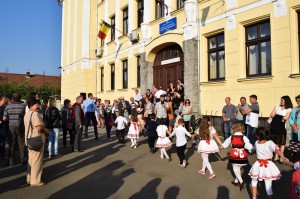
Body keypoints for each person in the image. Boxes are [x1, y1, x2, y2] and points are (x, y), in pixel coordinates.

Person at [249, 127, 286, 199]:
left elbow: (253, 149)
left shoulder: (256, 143)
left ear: (257, 135)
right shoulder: (270, 143)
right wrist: (282, 156)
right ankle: (269, 197)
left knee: (254, 180)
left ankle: (254, 197)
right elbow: (276, 150)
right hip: (268, 165)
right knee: (268, 183)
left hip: (258, 164)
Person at [24, 97, 49, 186]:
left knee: (31, 161)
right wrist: (46, 131)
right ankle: (35, 181)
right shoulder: (35, 114)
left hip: (29, 139)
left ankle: (29, 178)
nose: (38, 106)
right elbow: (39, 127)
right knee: (37, 161)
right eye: (37, 104)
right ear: (31, 105)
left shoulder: (27, 114)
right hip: (36, 140)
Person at [222, 123, 253, 191]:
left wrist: (222, 146)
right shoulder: (244, 137)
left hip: (234, 154)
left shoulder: (232, 137)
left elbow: (226, 143)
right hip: (242, 154)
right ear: (242, 130)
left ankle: (241, 181)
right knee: (238, 168)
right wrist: (251, 149)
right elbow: (248, 145)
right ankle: (236, 182)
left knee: (235, 169)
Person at [3, 92, 26, 166]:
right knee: (21, 143)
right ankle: (23, 160)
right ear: (20, 98)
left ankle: (11, 161)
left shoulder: (8, 107)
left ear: (12, 98)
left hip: (11, 126)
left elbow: (4, 118)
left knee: (11, 144)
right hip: (21, 126)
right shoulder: (23, 106)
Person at [269, 96, 293, 163]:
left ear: (286, 101)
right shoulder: (277, 107)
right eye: (281, 100)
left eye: (282, 100)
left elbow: (285, 117)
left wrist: (278, 117)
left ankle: (281, 157)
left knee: (282, 143)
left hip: (282, 127)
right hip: (275, 126)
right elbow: (271, 115)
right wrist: (278, 115)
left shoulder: (289, 109)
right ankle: (276, 155)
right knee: (276, 142)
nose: (281, 101)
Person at [288, 95, 300, 161]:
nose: (298, 102)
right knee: (295, 144)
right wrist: (293, 125)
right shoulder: (295, 109)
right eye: (297, 101)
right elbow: (291, 118)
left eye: (299, 101)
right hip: (294, 129)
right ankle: (295, 160)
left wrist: (298, 126)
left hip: (298, 129)